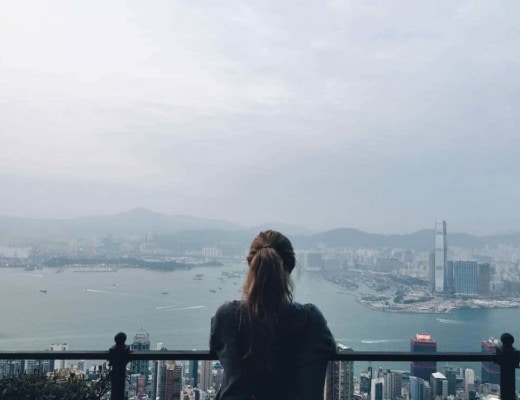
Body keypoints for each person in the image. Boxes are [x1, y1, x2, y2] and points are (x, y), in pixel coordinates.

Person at [210, 230, 336, 400]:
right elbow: (328, 348)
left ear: (251, 266)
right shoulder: (311, 321)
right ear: (290, 269)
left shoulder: (227, 317)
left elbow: (215, 346)